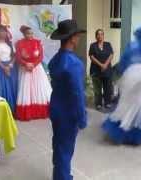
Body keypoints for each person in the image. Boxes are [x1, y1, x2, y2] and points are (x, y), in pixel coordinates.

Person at [48, 20, 87, 180]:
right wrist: (82, 117)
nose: (78, 39)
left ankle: (60, 174)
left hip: (56, 109)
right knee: (66, 149)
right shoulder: (73, 63)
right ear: (72, 38)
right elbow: (77, 93)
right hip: (68, 113)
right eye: (77, 36)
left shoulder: (55, 59)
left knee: (58, 146)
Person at [15, 25, 51, 121]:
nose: (30, 35)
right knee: (26, 90)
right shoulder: (19, 43)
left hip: (37, 69)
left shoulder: (37, 42)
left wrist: (33, 65)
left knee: (39, 88)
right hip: (24, 68)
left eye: (31, 33)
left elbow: (40, 56)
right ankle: (28, 112)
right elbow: (18, 57)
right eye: (28, 33)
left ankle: (40, 111)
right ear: (24, 34)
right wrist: (25, 64)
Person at [0, 25, 18, 113]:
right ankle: (3, 112)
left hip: (11, 67)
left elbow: (14, 56)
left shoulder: (9, 44)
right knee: (2, 88)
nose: (3, 33)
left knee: (12, 88)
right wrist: (4, 68)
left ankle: (13, 111)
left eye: (4, 31)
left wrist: (10, 65)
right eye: (1, 31)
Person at [89, 29, 114, 110]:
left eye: (101, 34)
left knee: (107, 87)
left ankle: (108, 103)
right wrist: (101, 65)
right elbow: (91, 57)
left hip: (107, 70)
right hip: (96, 70)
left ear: (103, 35)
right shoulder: (93, 45)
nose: (100, 36)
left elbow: (111, 55)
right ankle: (98, 103)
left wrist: (105, 65)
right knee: (97, 89)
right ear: (96, 36)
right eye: (98, 34)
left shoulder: (108, 44)